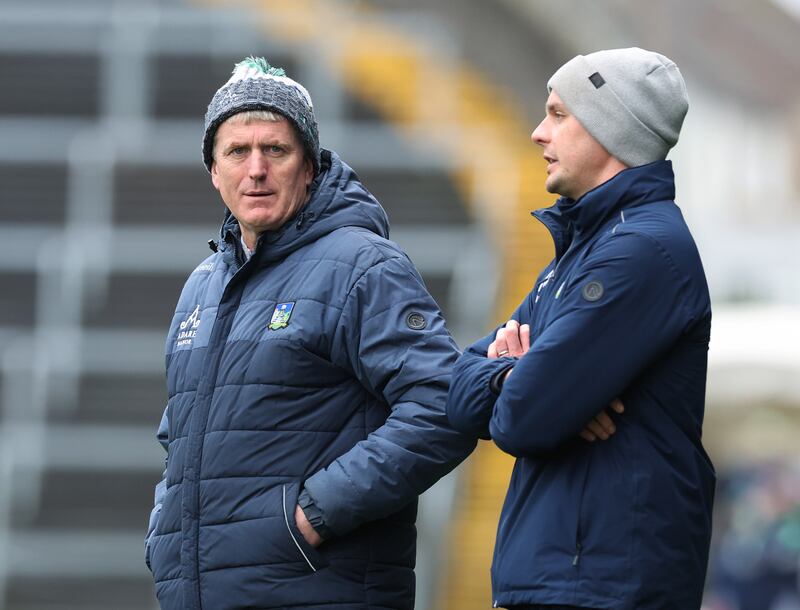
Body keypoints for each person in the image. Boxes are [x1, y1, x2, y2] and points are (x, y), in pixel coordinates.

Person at [143, 56, 476, 610]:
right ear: (213, 171)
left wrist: (315, 514)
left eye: (275, 150)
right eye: (237, 152)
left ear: (310, 167)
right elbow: (176, 436)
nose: (256, 169)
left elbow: (445, 403)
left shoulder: (363, 266)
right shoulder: (201, 286)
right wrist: (163, 530)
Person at [446, 48, 716, 610]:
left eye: (559, 114)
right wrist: (518, 376)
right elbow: (461, 390)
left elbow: (524, 418)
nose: (538, 133)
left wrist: (533, 384)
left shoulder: (639, 252)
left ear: (611, 127)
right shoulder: (582, 253)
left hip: (602, 586)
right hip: (565, 578)